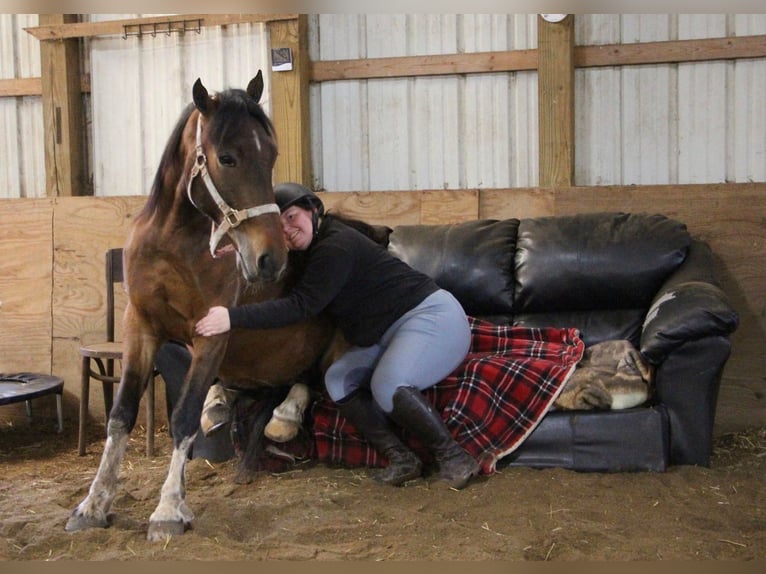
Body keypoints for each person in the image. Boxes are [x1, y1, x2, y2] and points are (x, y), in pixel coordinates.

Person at [195, 183, 479, 489]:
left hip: (431, 317)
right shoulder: (310, 249)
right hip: (387, 332)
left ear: (314, 211)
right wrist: (238, 252)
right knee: (338, 379)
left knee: (388, 386)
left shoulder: (335, 247)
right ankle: (401, 458)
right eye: (279, 226)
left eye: (292, 217)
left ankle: (455, 457)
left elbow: (301, 305)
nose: (287, 229)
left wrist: (231, 317)